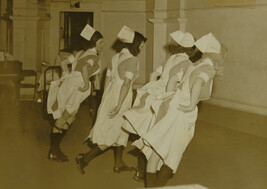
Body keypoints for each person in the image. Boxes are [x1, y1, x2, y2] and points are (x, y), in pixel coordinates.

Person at [133, 33, 226, 187]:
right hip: (182, 111)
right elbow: (198, 83)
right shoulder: (208, 68)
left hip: (170, 105)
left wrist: (169, 96)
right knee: (173, 157)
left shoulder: (195, 65)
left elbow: (172, 79)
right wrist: (190, 104)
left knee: (156, 152)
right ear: (216, 55)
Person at [122, 30, 197, 183]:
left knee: (149, 138)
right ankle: (152, 176)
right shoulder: (188, 64)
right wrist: (169, 97)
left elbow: (152, 76)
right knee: (160, 144)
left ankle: (140, 172)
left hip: (154, 98)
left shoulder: (170, 59)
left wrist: (154, 92)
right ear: (192, 50)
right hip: (166, 103)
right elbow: (173, 83)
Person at [75, 25, 147, 175]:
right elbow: (126, 83)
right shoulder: (132, 60)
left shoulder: (115, 57)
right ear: (135, 44)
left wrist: (105, 100)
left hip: (110, 94)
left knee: (121, 129)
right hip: (121, 94)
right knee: (113, 132)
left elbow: (107, 80)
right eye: (141, 44)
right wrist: (119, 104)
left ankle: (118, 163)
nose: (142, 47)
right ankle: (85, 159)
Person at [46, 24, 104, 162]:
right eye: (100, 43)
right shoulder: (94, 58)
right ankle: (53, 151)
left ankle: (56, 148)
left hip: (69, 85)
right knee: (65, 116)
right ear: (93, 43)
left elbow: (63, 63)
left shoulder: (79, 53)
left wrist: (68, 75)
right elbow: (84, 67)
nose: (102, 45)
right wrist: (84, 84)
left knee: (71, 117)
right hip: (77, 88)